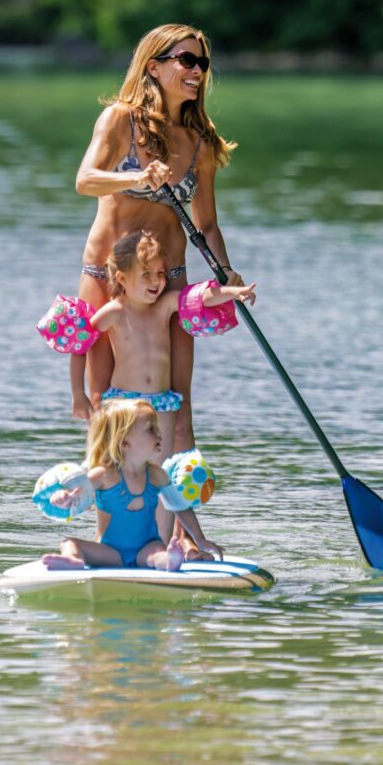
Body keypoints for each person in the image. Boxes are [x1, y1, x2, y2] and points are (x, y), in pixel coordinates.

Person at [70, 24, 246, 455]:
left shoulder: (200, 141)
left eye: (202, 63)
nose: (197, 71)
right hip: (108, 277)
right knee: (105, 405)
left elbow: (207, 225)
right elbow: (85, 180)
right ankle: (114, 516)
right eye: (186, 60)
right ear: (154, 66)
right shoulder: (119, 119)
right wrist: (135, 176)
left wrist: (226, 275)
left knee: (178, 411)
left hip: (169, 281)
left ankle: (180, 520)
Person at [38, 228, 256, 543]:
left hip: (162, 405)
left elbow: (201, 297)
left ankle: (161, 544)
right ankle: (106, 540)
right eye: (146, 274)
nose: (156, 281)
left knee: (161, 475)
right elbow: (80, 344)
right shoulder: (114, 311)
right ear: (122, 278)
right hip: (123, 407)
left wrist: (232, 293)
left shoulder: (165, 304)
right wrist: (77, 394)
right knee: (112, 472)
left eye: (160, 274)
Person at [41, 397, 223, 571]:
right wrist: (64, 497)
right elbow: (78, 492)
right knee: (69, 543)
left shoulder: (156, 475)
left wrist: (200, 539)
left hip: (147, 549)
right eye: (151, 429)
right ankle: (74, 559)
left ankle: (170, 560)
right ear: (125, 441)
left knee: (157, 553)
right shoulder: (105, 474)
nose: (160, 433)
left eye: (157, 427)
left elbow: (180, 507)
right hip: (109, 552)